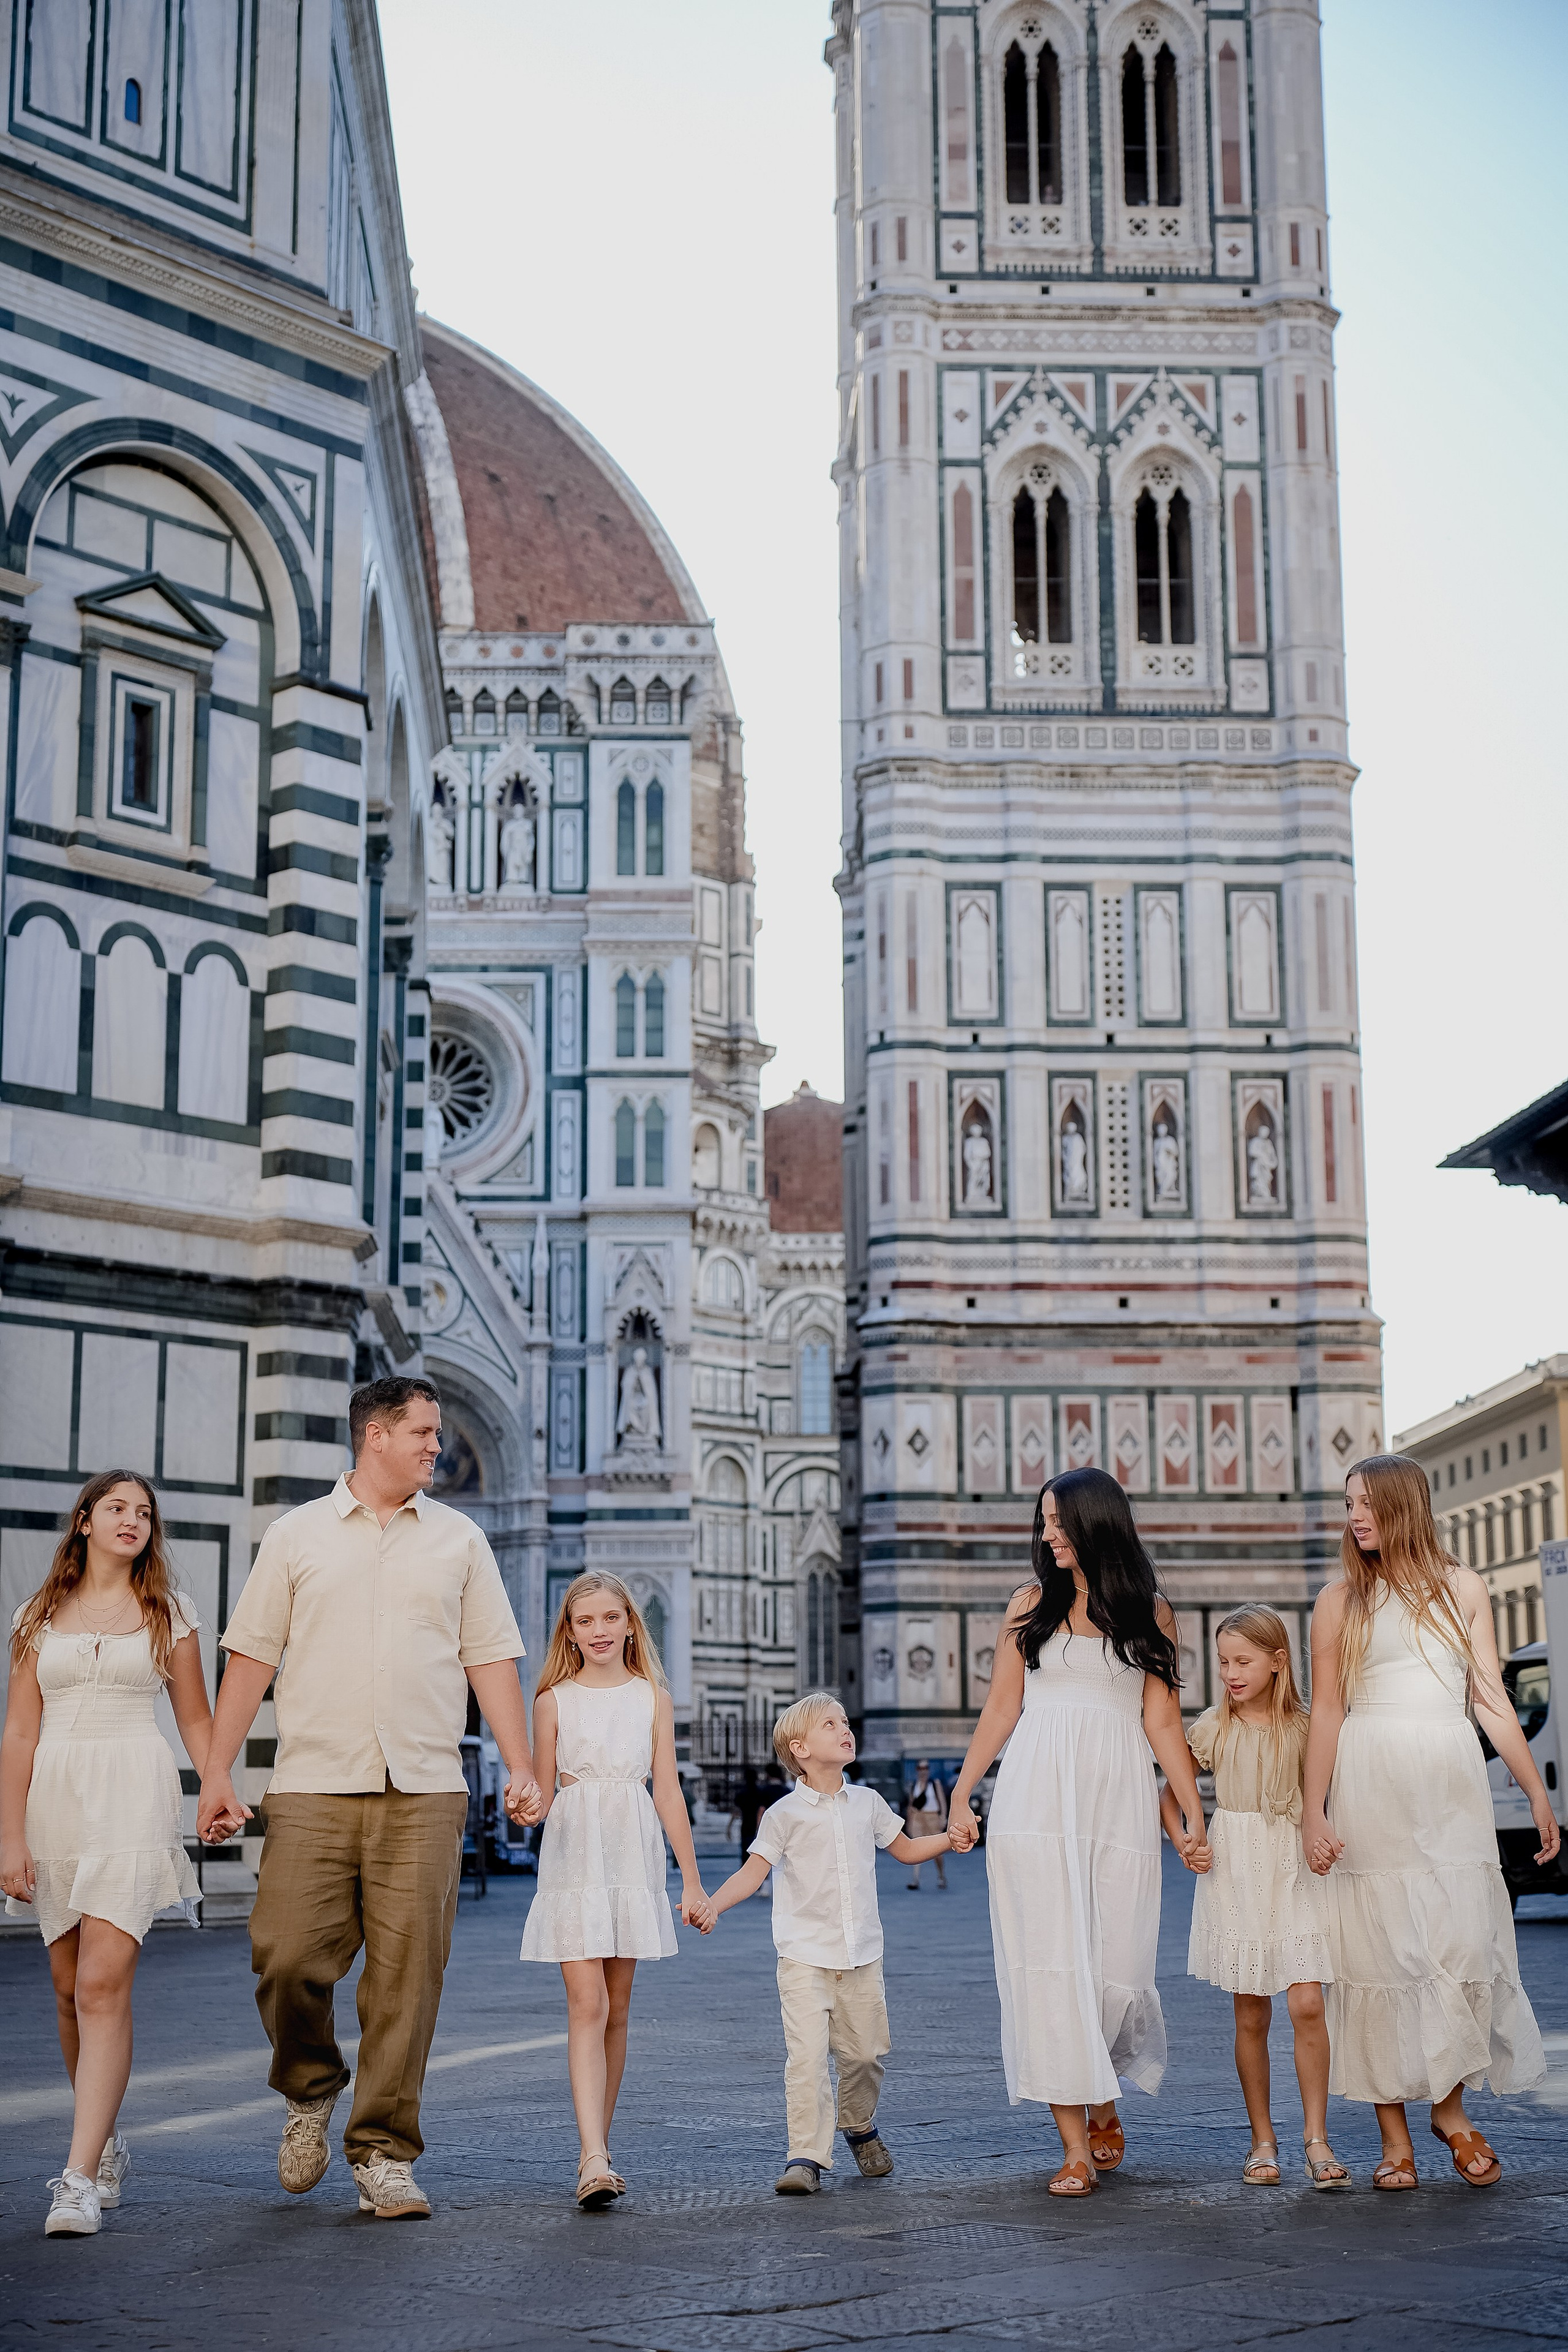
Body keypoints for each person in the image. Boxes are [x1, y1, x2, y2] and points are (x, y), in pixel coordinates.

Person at [197, 1376, 541, 2222]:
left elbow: (491, 1659)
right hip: (313, 1782)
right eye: (423, 1432)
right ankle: (310, 2085)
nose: (436, 1446)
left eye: (437, 1433)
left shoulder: (460, 1540)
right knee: (284, 1957)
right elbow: (250, 1658)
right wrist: (216, 1772)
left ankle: (383, 2151)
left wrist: (522, 1766)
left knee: (407, 1982)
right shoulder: (296, 1535)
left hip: (425, 1788)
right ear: (375, 1436)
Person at [946, 1468, 1208, 2198]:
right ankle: (1071, 2147)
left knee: (1117, 1964)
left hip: (1117, 1801)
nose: (1047, 1533)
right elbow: (1002, 1708)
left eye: (1058, 1521)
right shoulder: (1028, 1605)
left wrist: (1193, 1810)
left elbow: (1162, 1719)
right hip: (1033, 1801)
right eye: (1044, 1521)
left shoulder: (1151, 1612)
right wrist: (962, 1793)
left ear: (1096, 1522)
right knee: (1049, 1966)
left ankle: (1102, 2090)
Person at [1302, 1455, 1556, 2190]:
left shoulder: (1462, 1587)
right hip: (1370, 1777)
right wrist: (1314, 1810)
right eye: (1348, 1504)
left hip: (1448, 1782)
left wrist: (1534, 1792)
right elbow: (1327, 1710)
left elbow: (1489, 1698)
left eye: (1367, 1503)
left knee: (1455, 1945)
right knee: (1378, 1953)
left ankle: (1448, 2111)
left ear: (1404, 1505)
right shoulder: (1338, 1599)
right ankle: (1395, 2139)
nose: (1355, 1517)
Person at [1, 1471, 213, 2237]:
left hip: (132, 1794)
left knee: (99, 1984)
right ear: (85, 1521)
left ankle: (79, 2178)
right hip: (54, 1802)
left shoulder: (169, 1612)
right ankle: (107, 2141)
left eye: (145, 1513)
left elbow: (195, 1719)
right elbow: (20, 1731)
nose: (133, 1520)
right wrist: (9, 1837)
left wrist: (217, 1786)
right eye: (118, 1508)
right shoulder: (36, 1616)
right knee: (67, 1990)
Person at [706, 1692, 957, 2195]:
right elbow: (754, 1873)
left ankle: (859, 2124)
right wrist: (713, 1905)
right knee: (806, 2060)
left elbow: (906, 1850)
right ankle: (805, 2156)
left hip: (862, 1954)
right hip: (803, 1955)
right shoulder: (783, 1814)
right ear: (800, 1749)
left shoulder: (868, 1802)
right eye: (830, 1724)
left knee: (865, 2056)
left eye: (845, 1722)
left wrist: (952, 1839)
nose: (845, 1729)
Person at [520, 1572, 712, 2208]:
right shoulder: (552, 1701)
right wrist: (523, 1805)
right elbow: (539, 1797)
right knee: (588, 2003)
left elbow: (668, 1791)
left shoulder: (653, 1698)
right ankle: (595, 2158)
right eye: (585, 1621)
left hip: (633, 1852)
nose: (599, 1630)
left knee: (618, 2006)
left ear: (631, 1623)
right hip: (574, 1855)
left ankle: (594, 2149)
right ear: (569, 1633)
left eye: (610, 1617)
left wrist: (691, 1879)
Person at [1167, 1608, 1346, 2190]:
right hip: (1236, 1868)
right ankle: (1262, 2140)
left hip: (1294, 1866)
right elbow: (1170, 1795)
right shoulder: (1213, 1726)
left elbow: (1330, 1797)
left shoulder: (1308, 1726)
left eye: (1243, 1661)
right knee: (1251, 2012)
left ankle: (1316, 2138)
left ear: (1277, 1661)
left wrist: (1325, 1834)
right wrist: (1186, 1838)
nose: (1231, 1673)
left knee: (1308, 2003)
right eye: (1224, 1662)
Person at [903, 1760, 948, 1890]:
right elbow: (911, 1805)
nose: (923, 1771)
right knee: (916, 1847)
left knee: (937, 1850)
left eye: (926, 1768)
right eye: (920, 1768)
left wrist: (943, 1817)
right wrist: (909, 1823)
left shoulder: (934, 1784)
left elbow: (942, 1801)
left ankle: (941, 1876)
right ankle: (915, 1879)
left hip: (932, 1817)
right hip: (918, 1817)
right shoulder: (914, 1785)